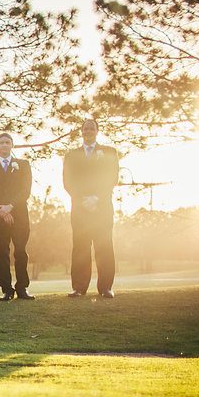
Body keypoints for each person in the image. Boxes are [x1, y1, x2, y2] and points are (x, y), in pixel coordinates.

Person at [63, 119, 119, 298]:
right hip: (79, 209)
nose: (88, 131)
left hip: (102, 208)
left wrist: (96, 198)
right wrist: (81, 199)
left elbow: (112, 178)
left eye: (91, 128)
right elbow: (67, 180)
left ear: (97, 131)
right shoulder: (71, 155)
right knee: (80, 248)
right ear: (81, 131)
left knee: (104, 246)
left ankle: (106, 288)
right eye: (85, 128)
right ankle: (79, 288)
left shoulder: (109, 152)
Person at [0, 133, 33, 301]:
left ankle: (22, 287)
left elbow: (25, 190)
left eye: (7, 142)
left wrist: (10, 206)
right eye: (1, 142)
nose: (4, 145)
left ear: (12, 145)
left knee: (20, 251)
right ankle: (6, 289)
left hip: (19, 215)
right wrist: (1, 211)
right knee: (0, 253)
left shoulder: (23, 165)